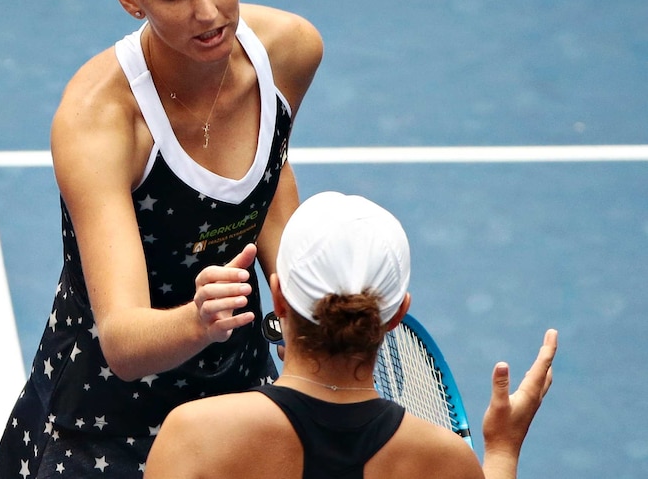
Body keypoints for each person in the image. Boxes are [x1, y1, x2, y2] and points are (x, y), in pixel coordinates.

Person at [0, 0, 323, 477]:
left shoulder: (291, 52)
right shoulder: (99, 121)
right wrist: (197, 319)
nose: (208, 12)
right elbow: (122, 340)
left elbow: (270, 175)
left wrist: (297, 297)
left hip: (235, 397)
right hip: (105, 424)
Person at [143, 191, 558, 479]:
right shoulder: (443, 462)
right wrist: (502, 450)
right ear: (397, 315)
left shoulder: (194, 436)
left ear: (279, 297)